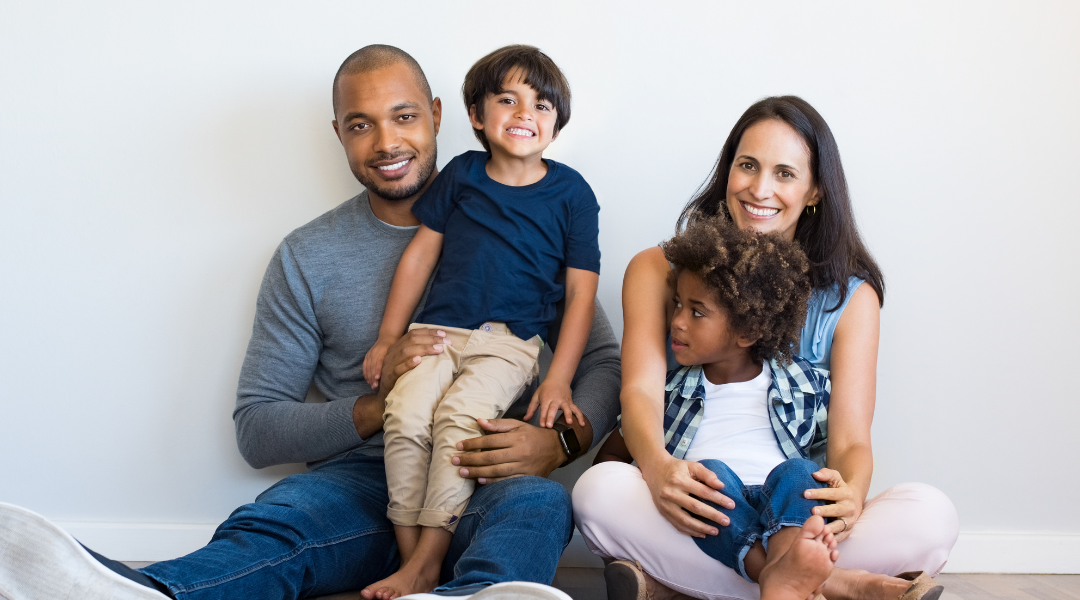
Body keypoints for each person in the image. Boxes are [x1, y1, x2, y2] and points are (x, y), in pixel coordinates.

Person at [0, 45, 620, 600]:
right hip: (358, 482)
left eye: (404, 116)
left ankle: (474, 595)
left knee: (539, 507)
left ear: (436, 113)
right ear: (339, 135)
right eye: (360, 125)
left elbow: (599, 361)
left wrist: (558, 441)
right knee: (277, 523)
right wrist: (383, 405)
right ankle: (145, 592)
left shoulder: (533, 217)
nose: (386, 142)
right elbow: (259, 428)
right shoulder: (308, 256)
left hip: (483, 467)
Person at [573, 96, 958, 600]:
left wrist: (851, 498)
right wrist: (660, 469)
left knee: (931, 514)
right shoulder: (656, 269)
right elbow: (640, 393)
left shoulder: (851, 299)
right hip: (697, 501)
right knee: (598, 491)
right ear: (727, 169)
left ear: (815, 190)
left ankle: (681, 589)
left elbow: (850, 441)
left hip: (796, 510)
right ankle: (830, 585)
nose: (760, 189)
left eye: (784, 174)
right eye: (748, 166)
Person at [359, 45, 600, 600]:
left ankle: (430, 559)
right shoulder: (462, 175)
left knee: (459, 419)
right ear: (475, 115)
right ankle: (411, 560)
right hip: (437, 335)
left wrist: (559, 377)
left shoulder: (572, 194)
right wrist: (389, 337)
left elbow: (581, 295)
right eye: (508, 100)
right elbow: (420, 255)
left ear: (557, 126)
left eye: (541, 106)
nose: (524, 114)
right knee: (407, 412)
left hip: (508, 345)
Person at [590, 215, 845, 600]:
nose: (676, 322)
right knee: (708, 476)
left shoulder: (805, 385)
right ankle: (782, 580)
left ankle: (777, 564)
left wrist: (840, 484)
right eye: (677, 304)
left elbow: (832, 454)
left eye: (696, 312)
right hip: (715, 511)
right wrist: (643, 476)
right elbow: (613, 452)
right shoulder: (670, 394)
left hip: (780, 509)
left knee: (801, 472)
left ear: (748, 331)